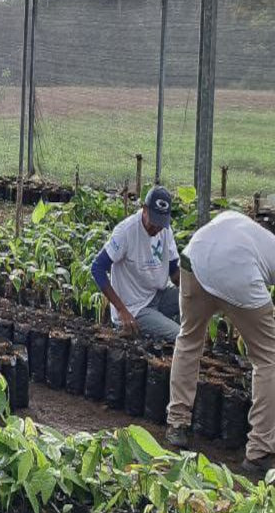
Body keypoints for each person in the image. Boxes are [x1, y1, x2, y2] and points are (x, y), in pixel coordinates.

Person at [165, 210, 275, 474]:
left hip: (192, 260)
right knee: (269, 358)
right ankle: (259, 451)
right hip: (236, 274)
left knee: (189, 340)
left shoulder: (240, 222)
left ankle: (177, 423)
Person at [89, 186, 180, 341]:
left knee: (199, 301)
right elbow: (97, 268)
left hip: (156, 295)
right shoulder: (126, 231)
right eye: (154, 221)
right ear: (144, 209)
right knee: (180, 336)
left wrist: (192, 293)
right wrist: (122, 310)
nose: (157, 228)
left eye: (161, 223)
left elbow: (174, 272)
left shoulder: (165, 230)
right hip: (135, 308)